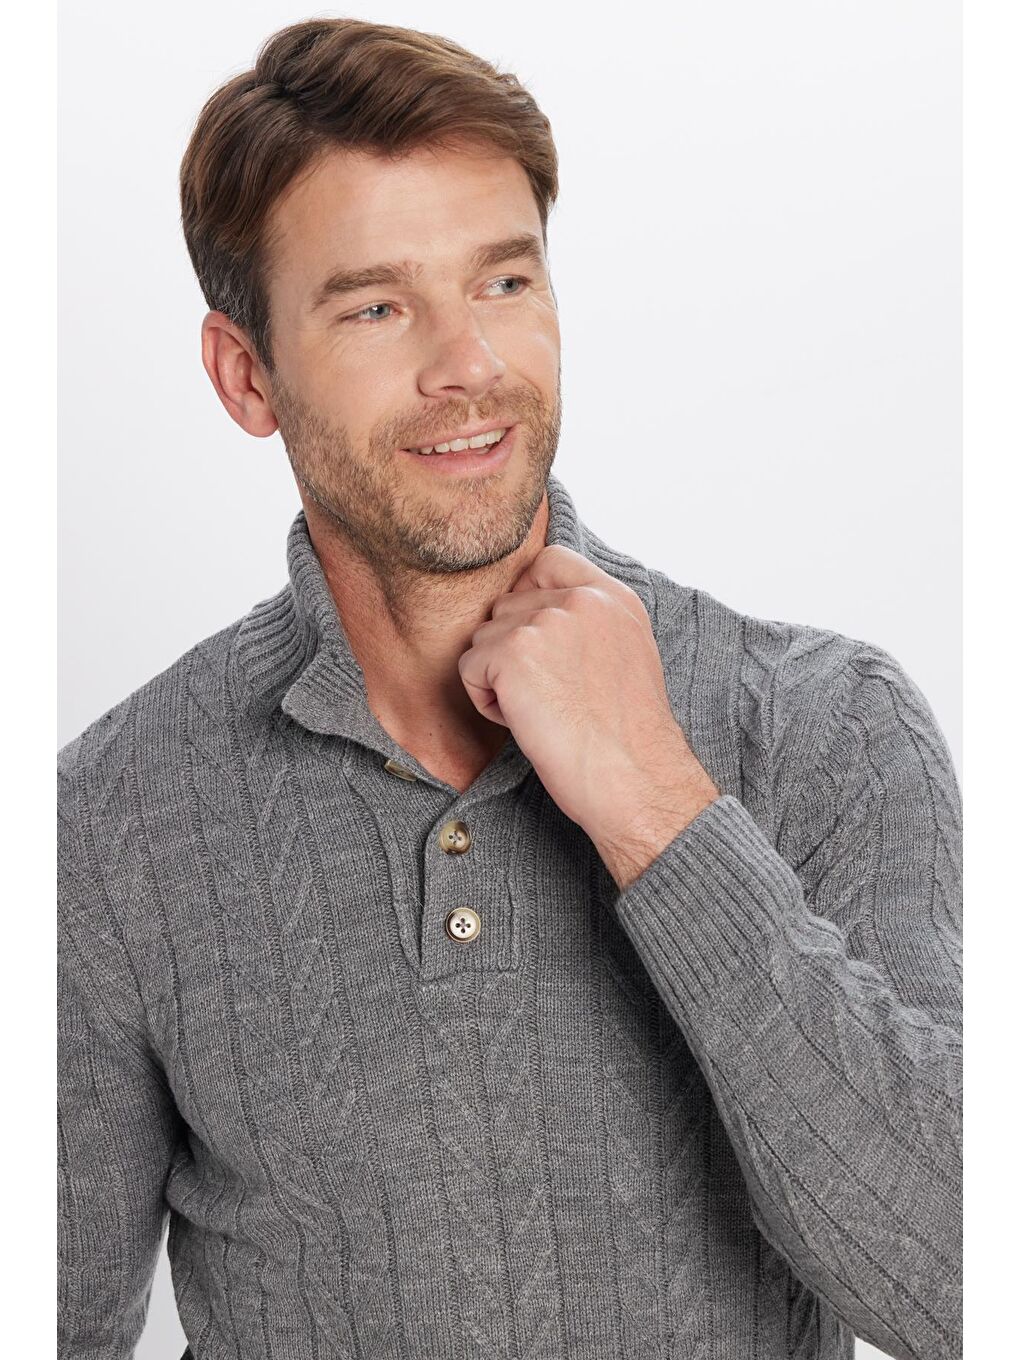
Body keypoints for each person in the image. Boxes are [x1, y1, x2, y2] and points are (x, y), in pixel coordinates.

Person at [57, 17, 962, 1360]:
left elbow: (963, 1285)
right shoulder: (108, 821)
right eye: (376, 306)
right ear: (247, 375)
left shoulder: (829, 726)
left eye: (503, 281)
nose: (468, 363)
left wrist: (655, 805)